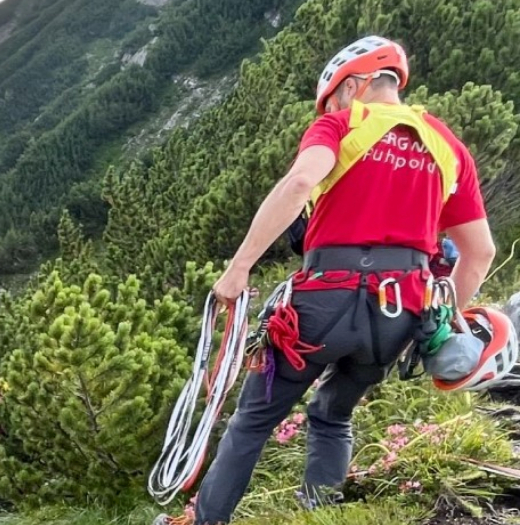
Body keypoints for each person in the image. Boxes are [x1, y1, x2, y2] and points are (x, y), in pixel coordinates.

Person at [195, 35, 496, 525]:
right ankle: (322, 516)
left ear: (353, 85)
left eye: (333, 97)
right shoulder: (449, 147)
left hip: (323, 302)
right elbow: (480, 253)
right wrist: (439, 325)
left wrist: (239, 268)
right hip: (399, 312)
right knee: (333, 415)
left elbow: (299, 183)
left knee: (253, 420)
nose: (331, 107)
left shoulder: (340, 125)